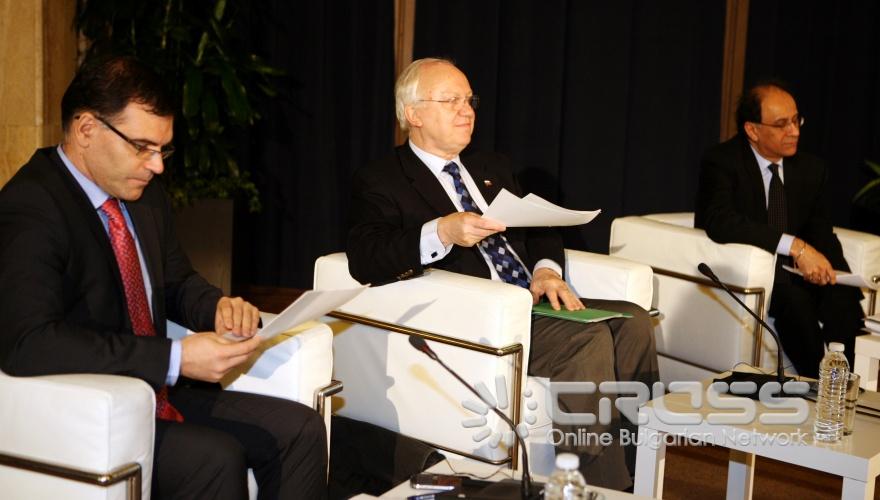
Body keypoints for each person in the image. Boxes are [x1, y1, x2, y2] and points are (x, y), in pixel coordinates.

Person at [0, 56, 327, 500]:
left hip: (154, 391)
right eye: (142, 147)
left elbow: (174, 282)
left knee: (302, 429)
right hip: (92, 410)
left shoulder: (144, 196)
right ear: (86, 129)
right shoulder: (31, 206)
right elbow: (29, 342)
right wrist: (175, 358)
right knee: (217, 458)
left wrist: (217, 307)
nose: (157, 166)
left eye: (162, 149)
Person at [346, 57, 658, 491]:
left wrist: (546, 270)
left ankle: (639, 474)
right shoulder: (381, 179)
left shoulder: (490, 166)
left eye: (469, 99)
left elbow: (539, 227)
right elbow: (365, 257)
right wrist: (441, 231)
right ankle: (597, 488)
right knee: (587, 339)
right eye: (451, 100)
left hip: (532, 302)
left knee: (634, 322)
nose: (467, 110)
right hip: (479, 318)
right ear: (413, 114)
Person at [695, 80, 864, 378]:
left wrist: (832, 272)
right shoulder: (722, 161)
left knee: (843, 299)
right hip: (761, 275)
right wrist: (795, 246)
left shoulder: (811, 169)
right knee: (794, 302)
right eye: (782, 124)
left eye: (796, 120)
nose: (794, 131)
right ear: (752, 130)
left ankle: (846, 384)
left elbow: (821, 231)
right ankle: (817, 383)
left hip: (800, 274)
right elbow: (720, 221)